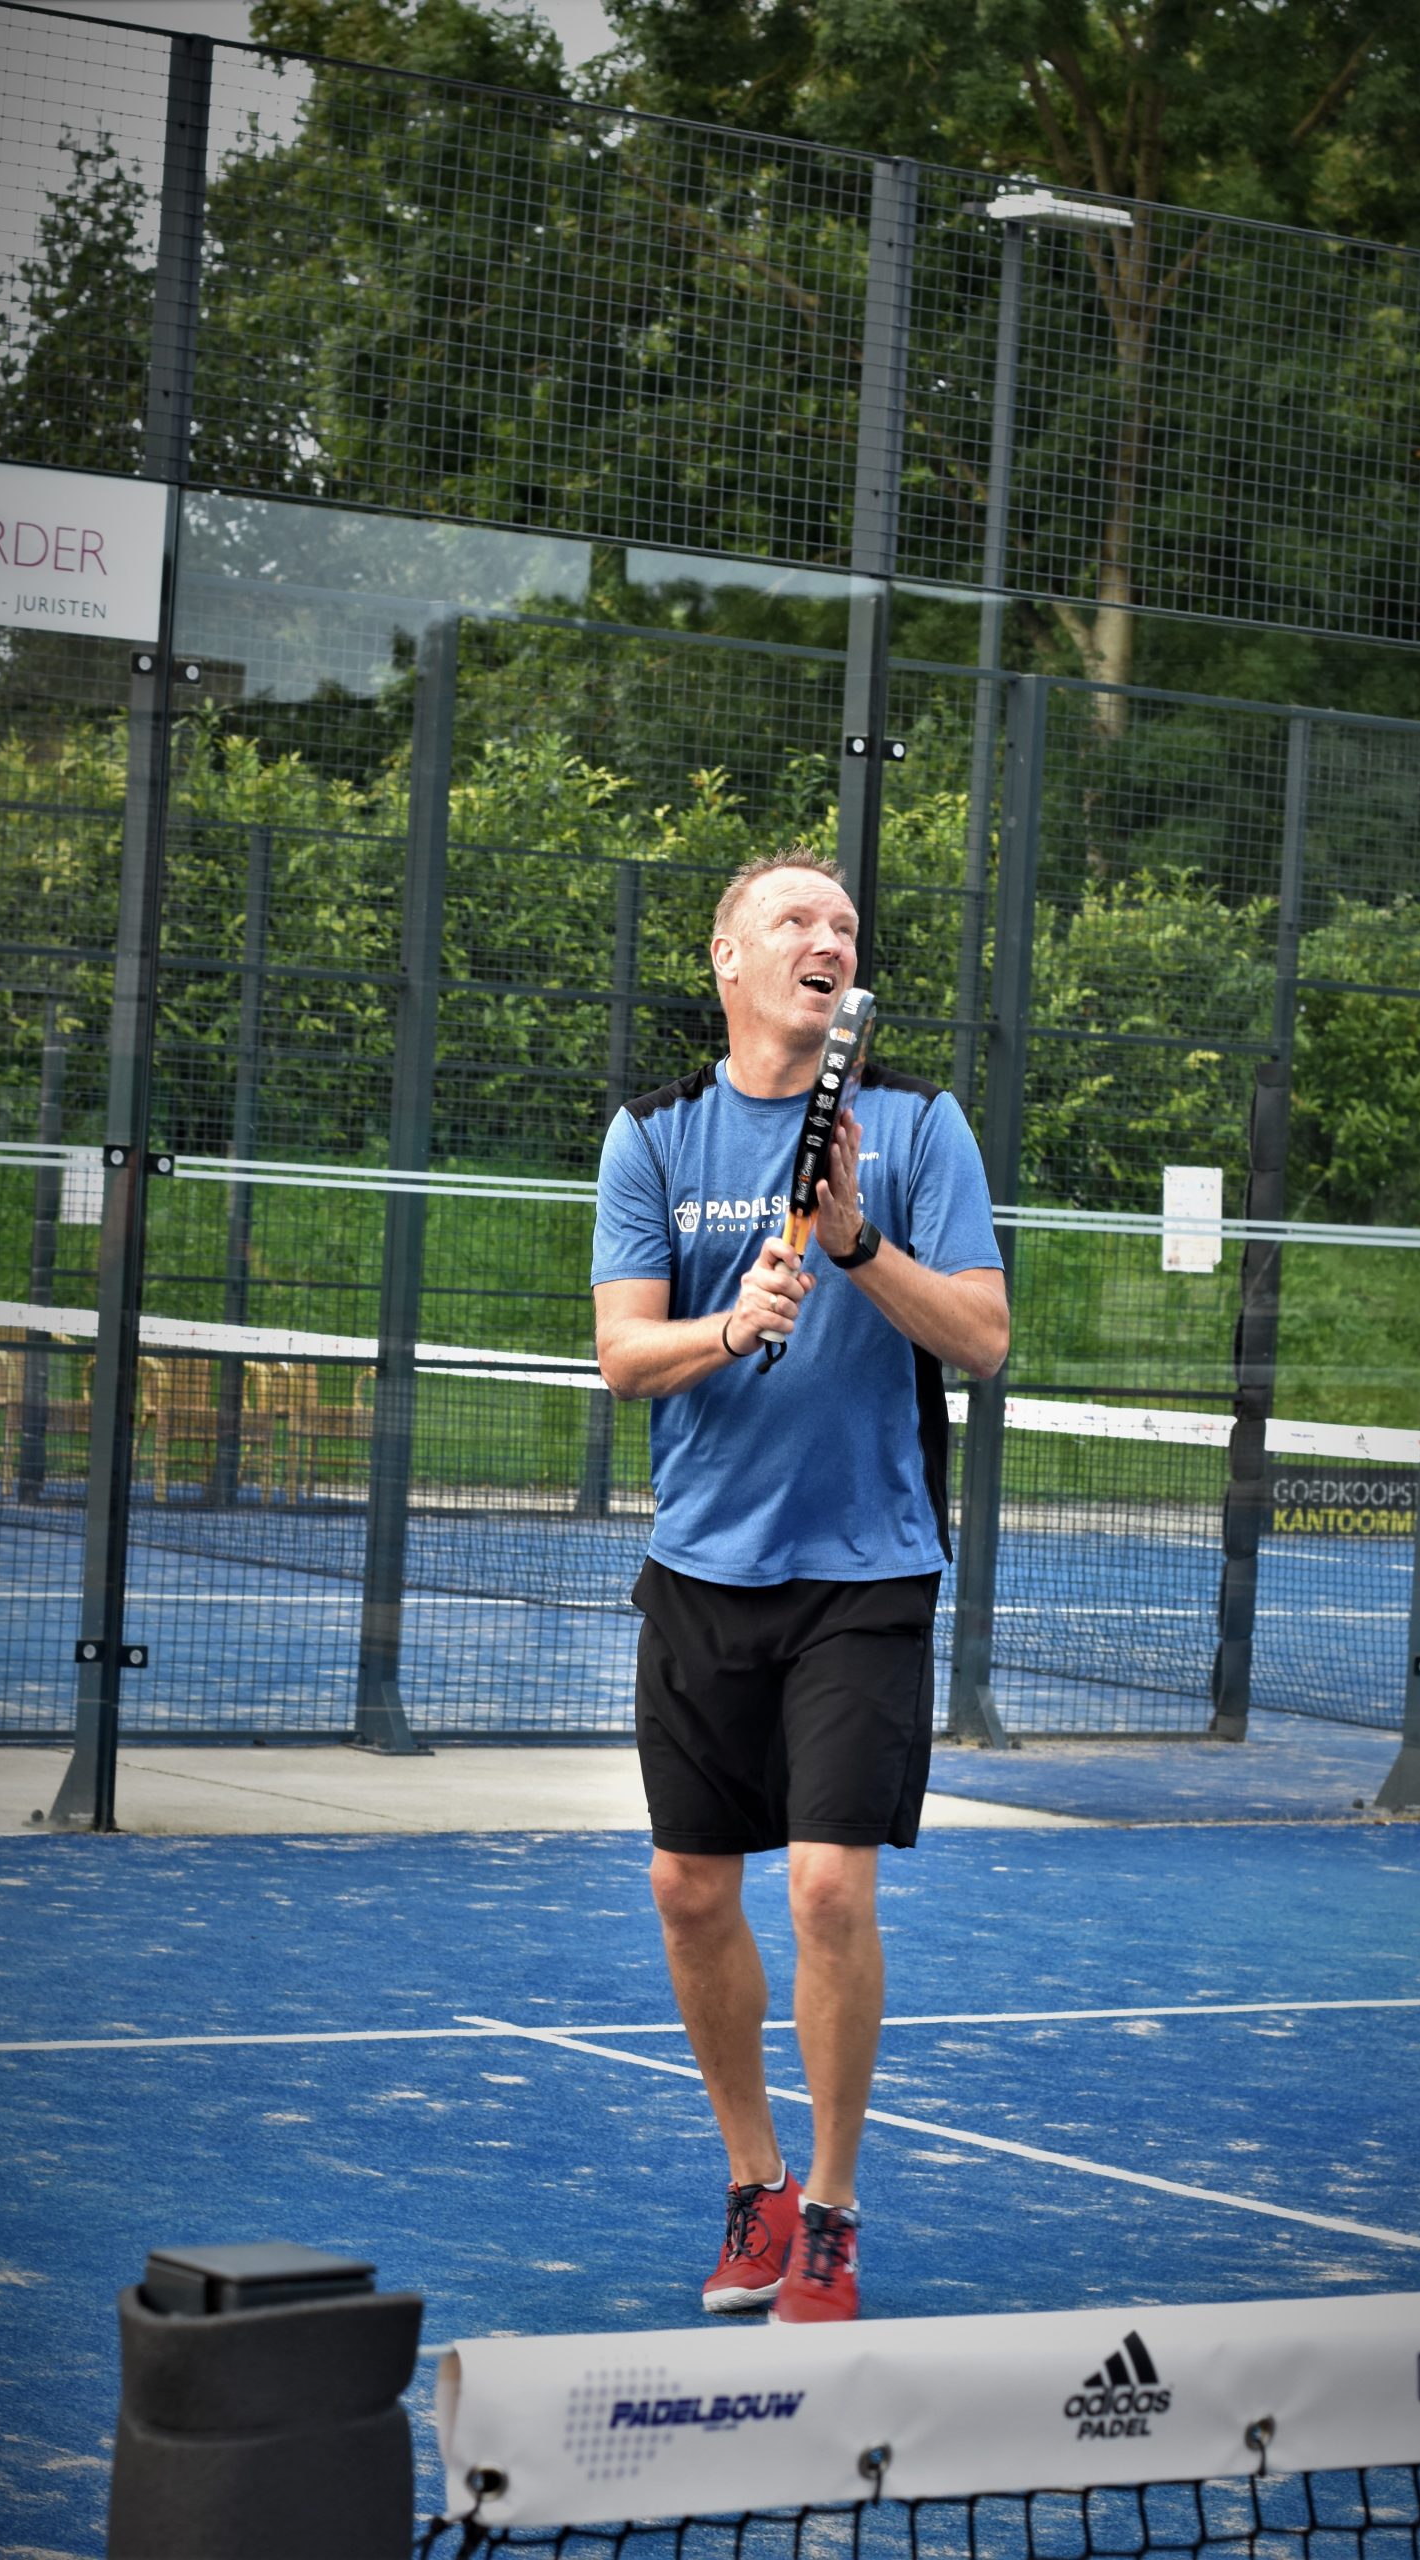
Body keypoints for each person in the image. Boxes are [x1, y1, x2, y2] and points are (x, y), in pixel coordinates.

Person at [590, 848, 1008, 2324]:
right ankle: (754, 2185)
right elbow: (623, 1357)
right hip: (702, 1564)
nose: (828, 938)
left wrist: (851, 1244)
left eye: (844, 924)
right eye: (796, 919)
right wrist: (728, 1327)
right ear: (729, 959)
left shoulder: (914, 1126)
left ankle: (829, 2214)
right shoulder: (653, 1137)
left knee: (829, 1886)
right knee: (690, 1888)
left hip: (866, 1566)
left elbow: (982, 1338)